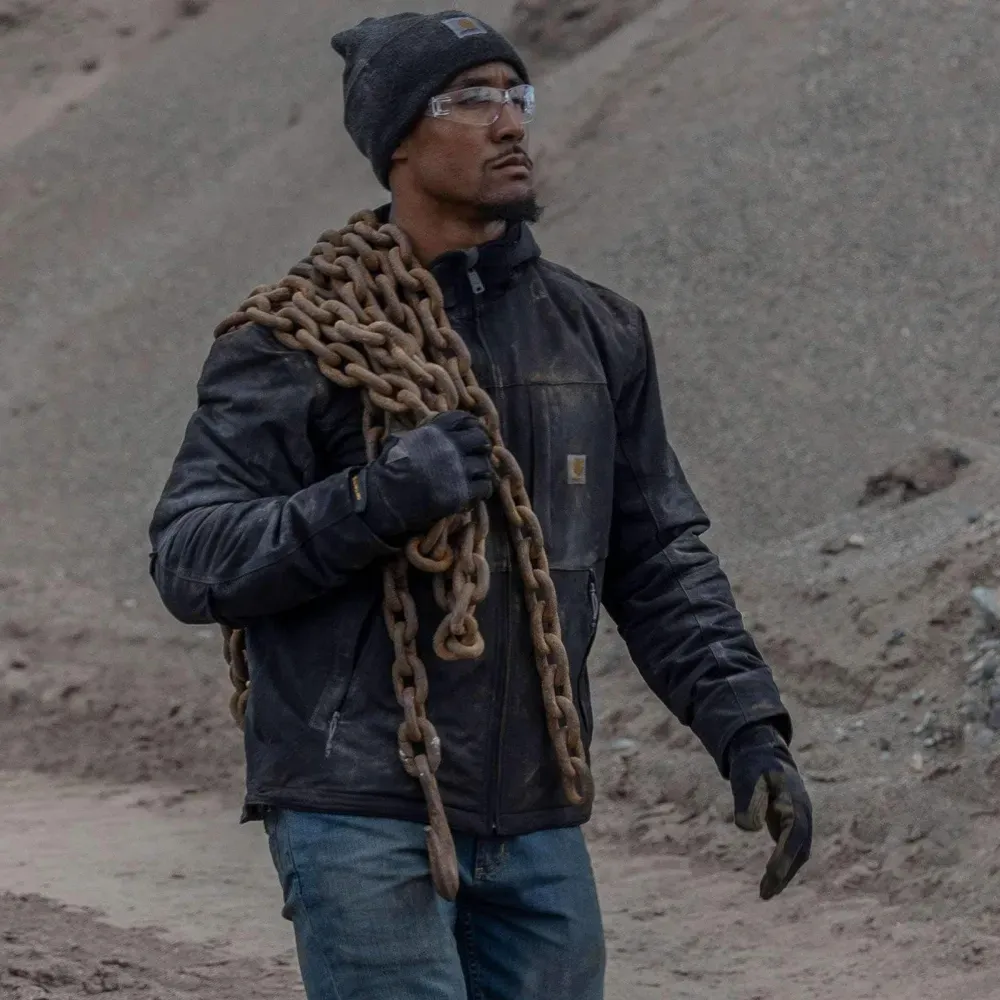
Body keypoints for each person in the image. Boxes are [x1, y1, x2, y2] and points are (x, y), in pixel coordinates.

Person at [147, 9, 812, 999]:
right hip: (359, 810)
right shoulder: (295, 338)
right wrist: (373, 500)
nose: (509, 122)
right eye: (470, 99)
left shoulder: (597, 332)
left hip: (537, 817)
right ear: (397, 140)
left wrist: (747, 726)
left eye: (516, 95)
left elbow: (658, 559)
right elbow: (190, 555)